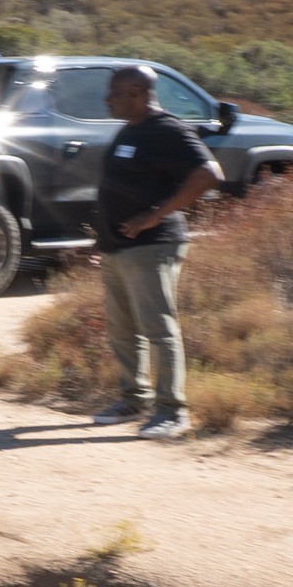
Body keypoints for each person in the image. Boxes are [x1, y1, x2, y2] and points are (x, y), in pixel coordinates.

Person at [90, 65, 225, 441]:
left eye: (114, 93)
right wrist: (101, 235)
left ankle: (171, 411)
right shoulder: (129, 131)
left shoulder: (168, 130)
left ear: (137, 92)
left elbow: (209, 174)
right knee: (122, 330)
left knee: (158, 329)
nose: (107, 99)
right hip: (118, 247)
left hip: (151, 247)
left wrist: (155, 215)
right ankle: (133, 399)